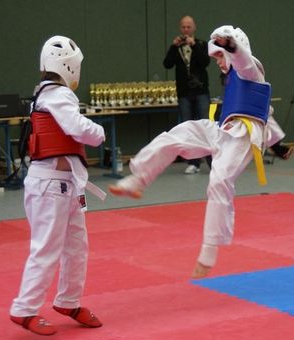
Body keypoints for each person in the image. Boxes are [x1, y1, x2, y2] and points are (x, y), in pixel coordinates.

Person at [109, 25, 284, 278]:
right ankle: (139, 178)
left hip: (242, 136)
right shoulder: (234, 77)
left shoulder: (250, 69)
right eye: (216, 57)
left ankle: (208, 252)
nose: (219, 62)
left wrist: (231, 46)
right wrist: (280, 145)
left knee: (219, 180)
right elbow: (267, 113)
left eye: (221, 56)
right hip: (222, 128)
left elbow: (243, 61)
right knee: (177, 135)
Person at [9, 35, 106, 336]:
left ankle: (68, 301)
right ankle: (24, 308)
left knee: (76, 248)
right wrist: (99, 132)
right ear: (69, 67)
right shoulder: (57, 94)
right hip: (50, 186)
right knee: (47, 248)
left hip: (64, 185)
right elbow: (77, 128)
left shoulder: (46, 94)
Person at [163, 15, 212, 174]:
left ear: (194, 28)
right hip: (184, 93)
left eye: (188, 27)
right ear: (180, 28)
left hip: (201, 91)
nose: (186, 30)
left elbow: (205, 62)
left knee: (205, 126)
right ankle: (194, 162)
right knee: (189, 128)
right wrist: (173, 47)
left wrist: (194, 45)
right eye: (183, 27)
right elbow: (167, 64)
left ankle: (213, 162)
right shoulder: (176, 47)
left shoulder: (202, 44)